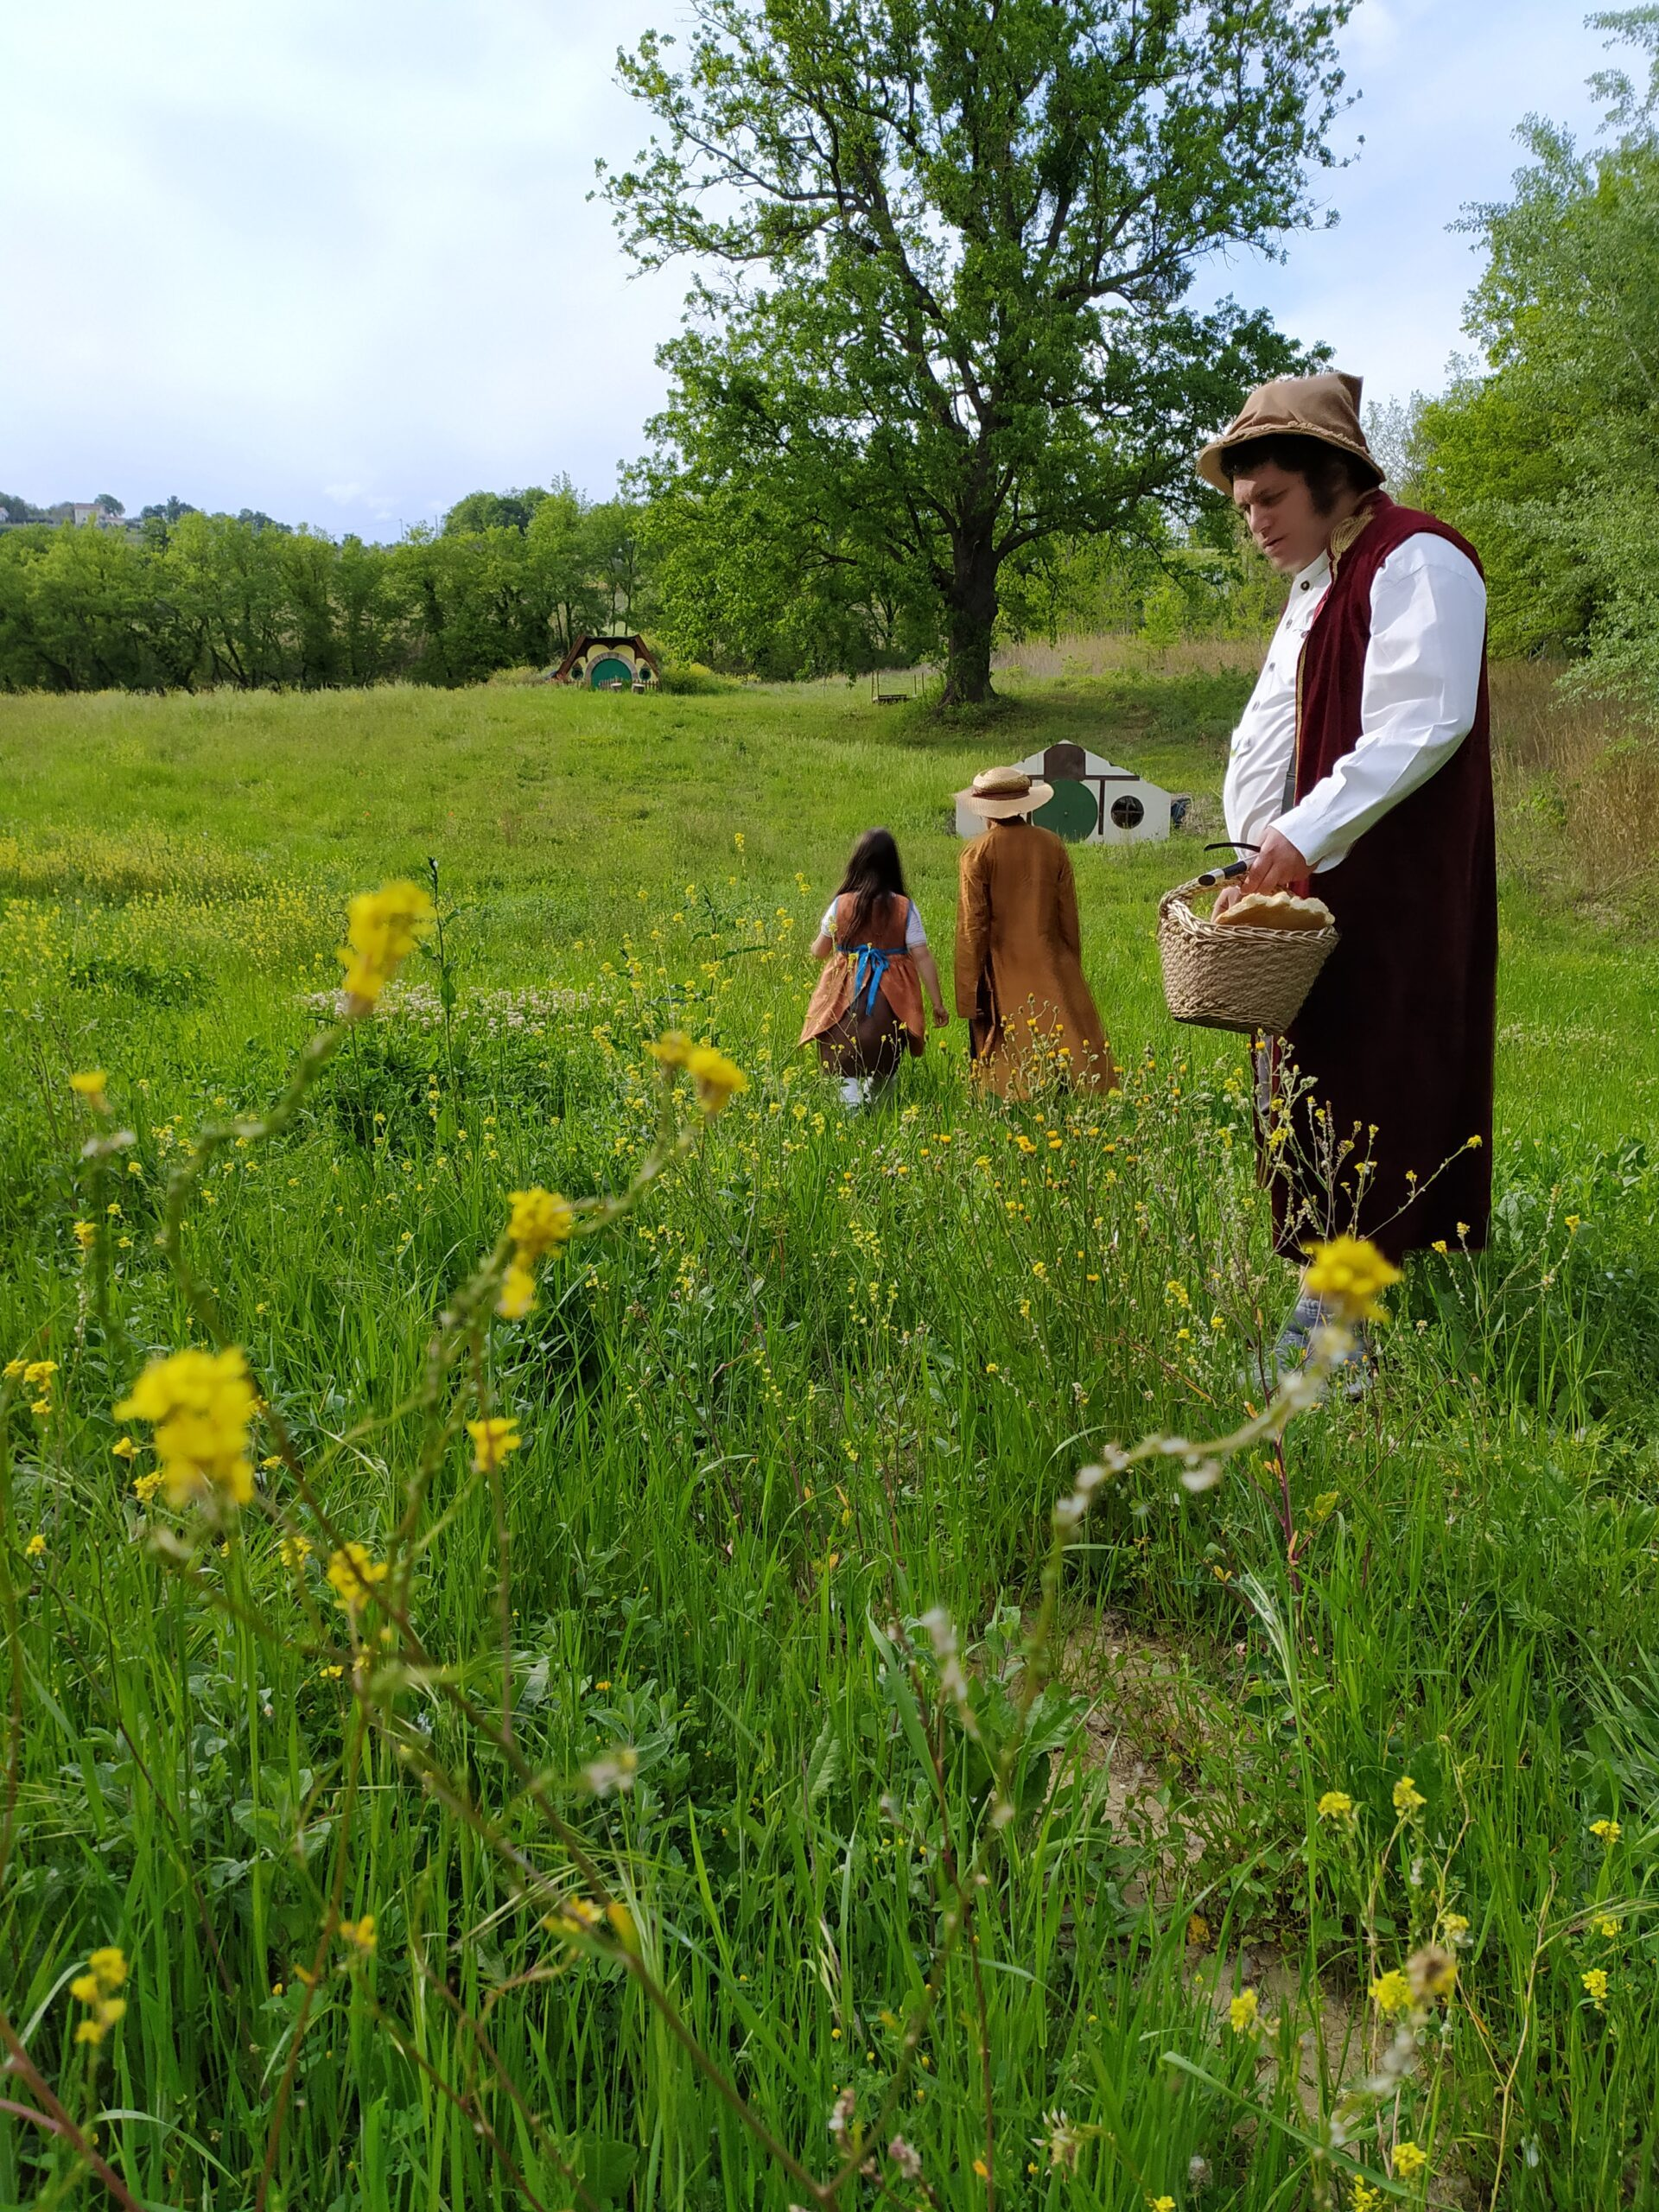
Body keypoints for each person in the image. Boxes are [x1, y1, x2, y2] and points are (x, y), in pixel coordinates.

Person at [1195, 370, 1495, 1378]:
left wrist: (1306, 834)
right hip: (1321, 883)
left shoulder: (1418, 559)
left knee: (1375, 1076)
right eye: (1243, 508)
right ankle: (1324, 1311)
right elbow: (1266, 733)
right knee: (1308, 1083)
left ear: (1332, 477)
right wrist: (1256, 848)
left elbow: (1425, 719)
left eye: (1270, 498)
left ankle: (1332, 1345)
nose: (1256, 523)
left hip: (1390, 884)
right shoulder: (1317, 587)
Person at [953, 766, 1116, 1096]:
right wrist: (1070, 963)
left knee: (1004, 1046)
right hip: (1052, 960)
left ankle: (1011, 1102)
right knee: (1065, 1038)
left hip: (1003, 965)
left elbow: (972, 927)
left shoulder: (977, 853)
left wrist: (968, 993)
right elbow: (1067, 913)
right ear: (1027, 805)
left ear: (985, 812)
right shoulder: (1052, 844)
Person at [801, 829, 948, 1106]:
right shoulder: (904, 908)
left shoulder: (841, 904)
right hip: (890, 997)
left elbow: (820, 951)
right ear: (893, 866)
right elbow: (922, 956)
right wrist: (938, 1004)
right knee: (886, 1057)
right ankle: (879, 1107)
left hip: (845, 995)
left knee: (842, 1056)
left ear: (857, 862)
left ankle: (852, 1109)